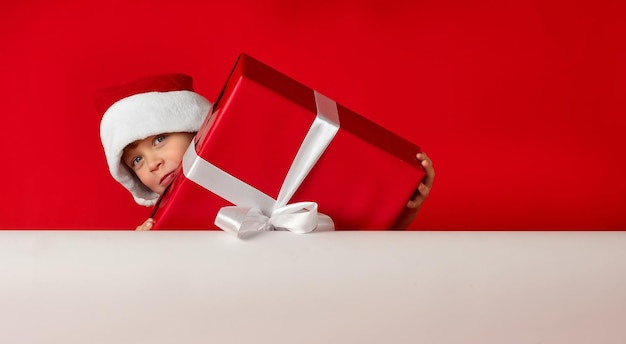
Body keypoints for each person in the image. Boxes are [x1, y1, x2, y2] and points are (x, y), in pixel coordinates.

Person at [95, 73, 434, 231]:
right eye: (136, 160)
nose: (152, 163)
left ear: (195, 127)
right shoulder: (162, 226)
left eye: (159, 140)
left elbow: (349, 229)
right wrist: (144, 250)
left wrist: (402, 210)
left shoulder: (270, 167)